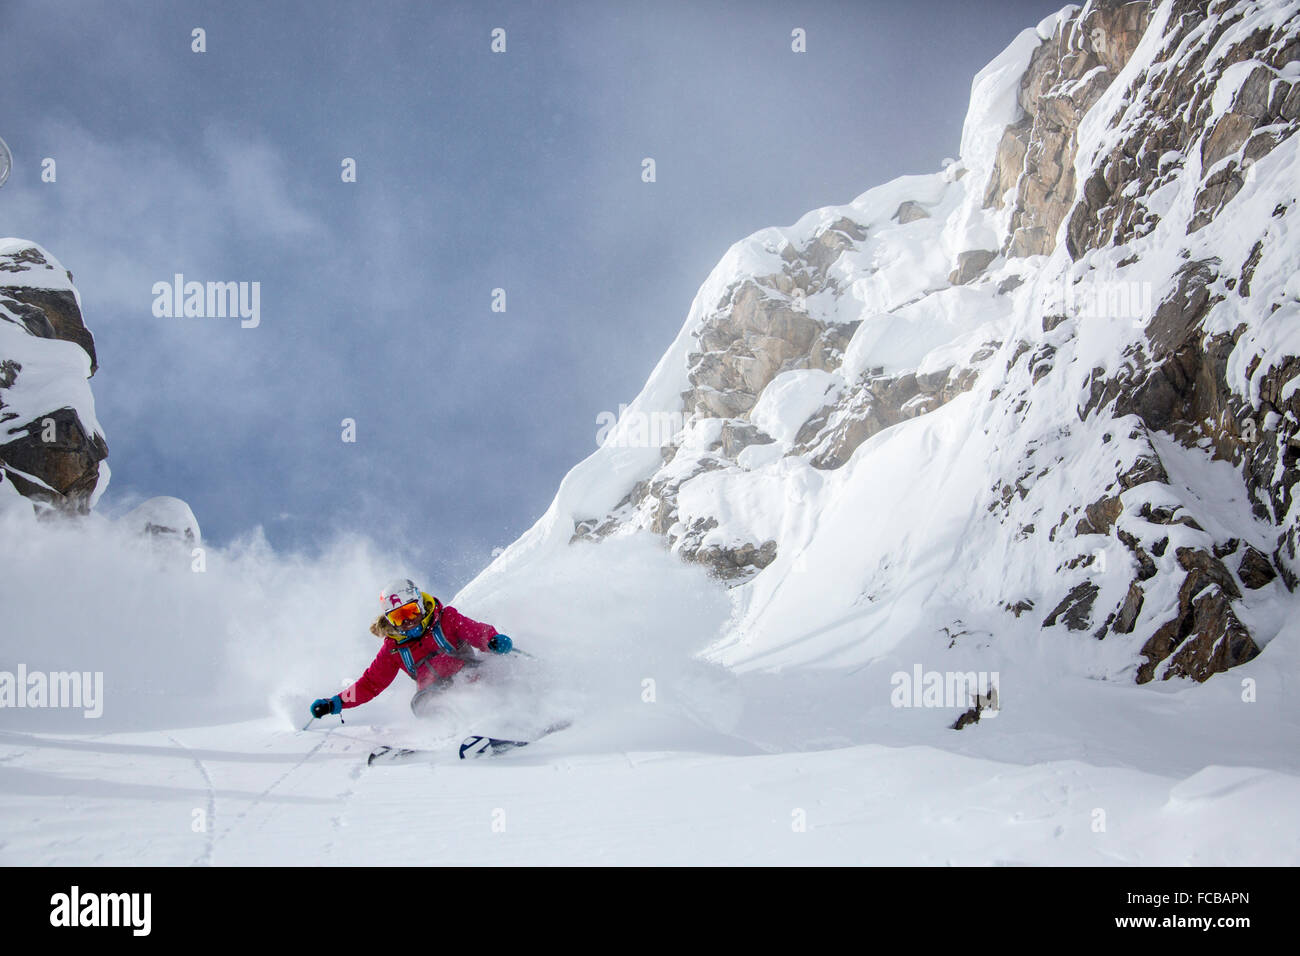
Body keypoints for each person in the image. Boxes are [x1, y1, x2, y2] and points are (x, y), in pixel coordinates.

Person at [310, 578, 513, 718]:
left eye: (411, 611)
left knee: (486, 677)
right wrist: (335, 703)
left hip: (468, 672)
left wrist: (493, 640)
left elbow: (475, 632)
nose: (407, 620)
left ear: (421, 605)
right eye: (398, 617)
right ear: (389, 620)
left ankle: (514, 710)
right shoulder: (393, 650)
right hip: (434, 692)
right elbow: (370, 684)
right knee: (425, 704)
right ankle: (447, 734)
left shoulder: (446, 619)